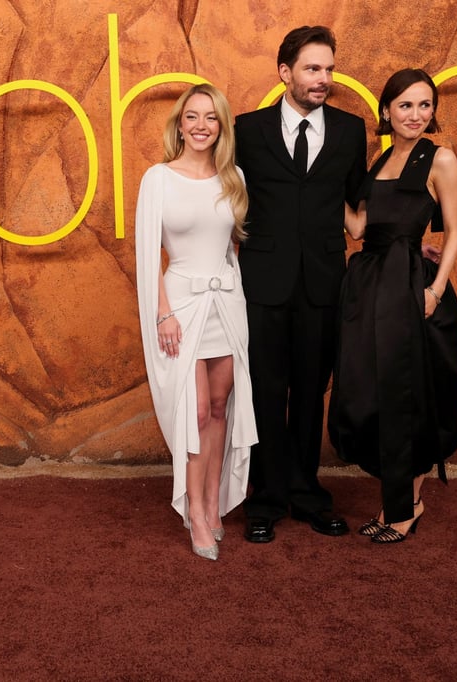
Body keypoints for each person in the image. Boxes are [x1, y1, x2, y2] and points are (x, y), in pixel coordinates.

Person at [234, 26, 367, 543]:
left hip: (323, 283)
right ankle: (265, 499)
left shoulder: (352, 131)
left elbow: (361, 204)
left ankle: (308, 493)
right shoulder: (247, 130)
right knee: (266, 391)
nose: (324, 79)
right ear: (285, 72)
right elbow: (220, 194)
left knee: (312, 391)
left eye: (329, 69)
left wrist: (406, 241)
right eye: (313, 69)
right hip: (262, 282)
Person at [328, 68, 457, 543]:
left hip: (410, 288)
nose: (416, 114)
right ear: (386, 110)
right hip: (370, 286)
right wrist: (323, 183)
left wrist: (435, 291)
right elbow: (360, 229)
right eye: (406, 105)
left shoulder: (440, 158)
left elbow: (455, 231)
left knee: (409, 393)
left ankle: (405, 508)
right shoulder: (382, 158)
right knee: (376, 388)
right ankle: (397, 503)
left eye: (425, 105)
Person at [134, 83, 258, 561]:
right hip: (181, 308)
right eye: (193, 116)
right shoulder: (158, 178)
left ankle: (212, 503)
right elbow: (148, 256)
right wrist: (162, 312)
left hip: (227, 303)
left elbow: (232, 250)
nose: (202, 125)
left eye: (211, 117)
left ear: (222, 125)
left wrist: (237, 299)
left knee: (222, 406)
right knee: (197, 411)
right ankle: (195, 512)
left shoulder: (234, 177)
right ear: (180, 124)